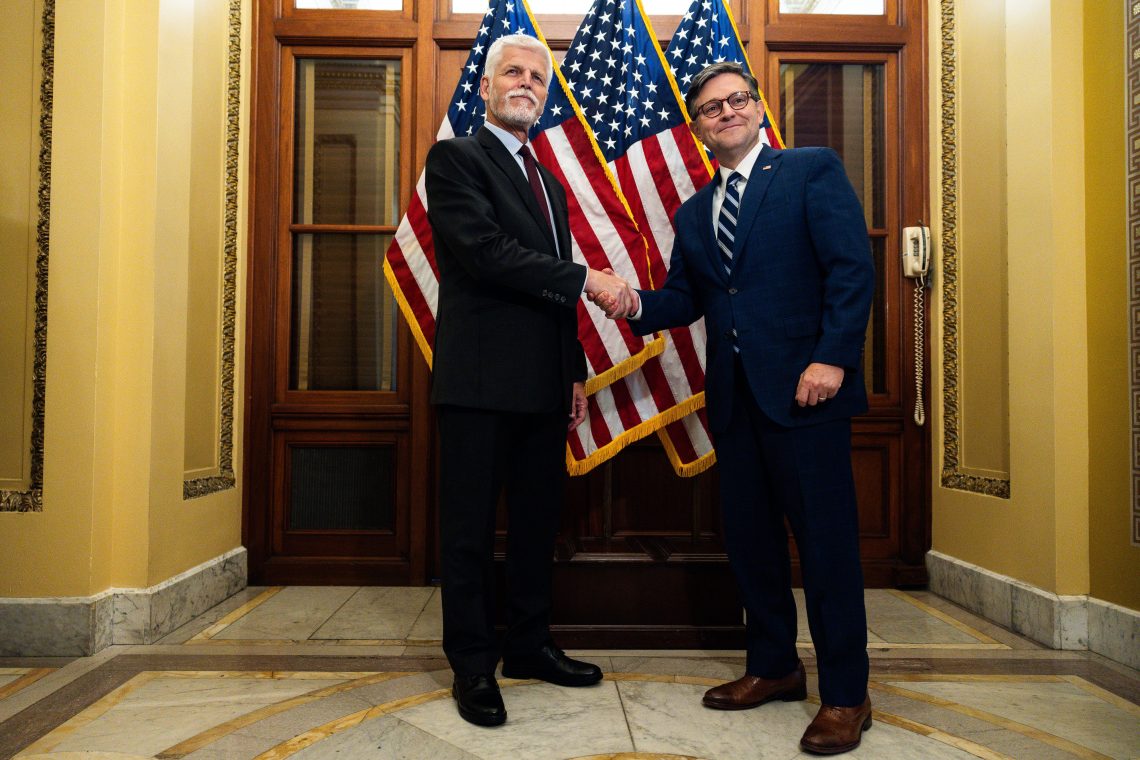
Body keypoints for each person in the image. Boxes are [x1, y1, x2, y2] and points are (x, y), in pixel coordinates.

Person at [605, 62, 875, 755]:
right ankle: (774, 667)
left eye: (736, 100)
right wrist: (634, 302)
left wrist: (833, 357)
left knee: (826, 549)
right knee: (753, 547)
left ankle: (846, 694)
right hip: (734, 404)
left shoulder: (810, 171)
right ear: (696, 127)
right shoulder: (695, 213)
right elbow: (687, 299)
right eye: (710, 108)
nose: (726, 112)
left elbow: (851, 268)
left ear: (756, 109)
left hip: (806, 396)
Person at [424, 32, 635, 728]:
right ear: (484, 88)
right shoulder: (455, 158)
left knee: (538, 524)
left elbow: (550, 294)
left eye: (538, 79)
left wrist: (573, 371)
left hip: (545, 385)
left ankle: (530, 645)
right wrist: (588, 278)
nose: (525, 84)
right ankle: (475, 665)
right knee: (469, 531)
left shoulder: (548, 180)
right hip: (480, 384)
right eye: (512, 73)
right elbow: (486, 255)